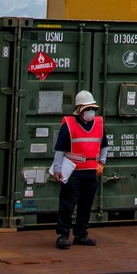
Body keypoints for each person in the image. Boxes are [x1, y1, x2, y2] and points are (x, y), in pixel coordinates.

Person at [51, 89, 107, 249]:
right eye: (88, 109)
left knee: (86, 204)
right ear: (79, 110)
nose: (91, 112)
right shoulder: (68, 125)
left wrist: (101, 163)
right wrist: (57, 169)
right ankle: (62, 235)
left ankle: (81, 234)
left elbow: (104, 145)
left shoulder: (99, 124)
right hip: (73, 172)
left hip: (91, 171)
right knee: (67, 204)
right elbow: (59, 150)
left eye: (93, 109)